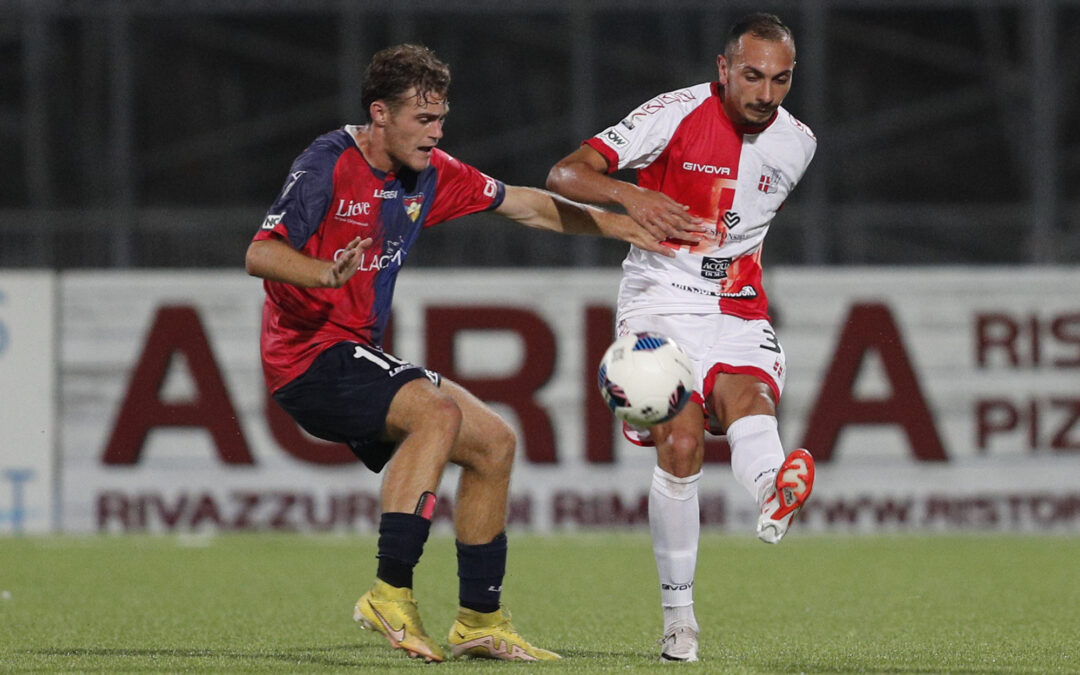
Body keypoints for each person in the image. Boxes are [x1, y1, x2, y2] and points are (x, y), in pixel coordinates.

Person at [546, 13, 817, 663]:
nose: (765, 94)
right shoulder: (673, 114)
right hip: (658, 299)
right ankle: (679, 620)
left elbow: (739, 224)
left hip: (739, 305)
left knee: (749, 399)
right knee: (684, 441)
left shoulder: (800, 143)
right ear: (723, 69)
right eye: (751, 75)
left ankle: (773, 496)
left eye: (780, 80)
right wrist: (627, 198)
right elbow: (564, 174)